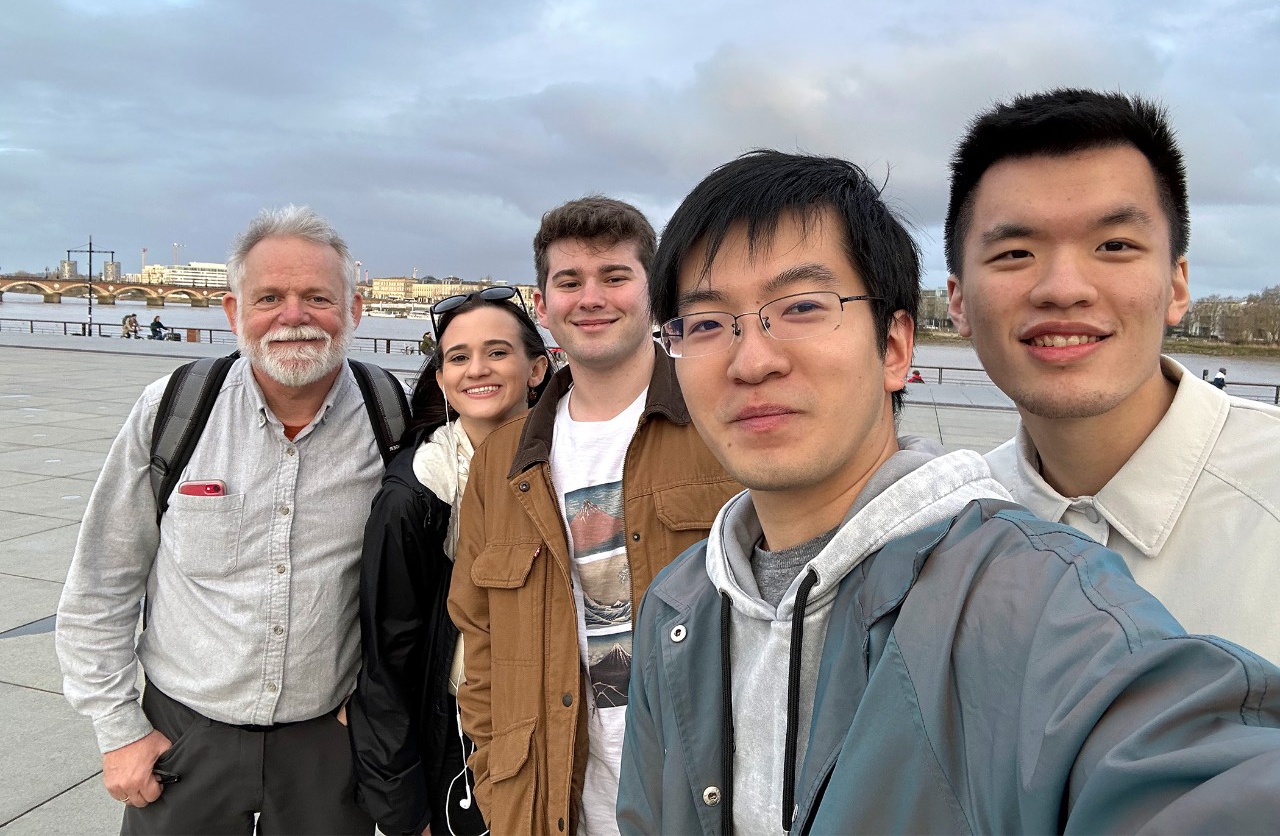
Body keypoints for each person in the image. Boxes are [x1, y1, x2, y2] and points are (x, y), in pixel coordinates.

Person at [617, 149, 1280, 834]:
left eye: (803, 307)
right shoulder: (681, 604)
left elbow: (1195, 774)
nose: (751, 359)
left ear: (896, 348)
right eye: (703, 324)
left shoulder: (1033, 598)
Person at [57, 206, 384, 834]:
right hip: (183, 741)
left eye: (318, 296)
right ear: (235, 313)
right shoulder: (175, 411)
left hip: (331, 747)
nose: (294, 316)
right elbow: (102, 581)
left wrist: (381, 705)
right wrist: (119, 729)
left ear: (354, 310)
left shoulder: (390, 419)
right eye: (269, 298)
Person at [944, 88, 1280, 662]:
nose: (1063, 288)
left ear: (1176, 286)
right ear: (958, 302)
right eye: (1015, 253)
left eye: (1115, 245)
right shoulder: (948, 527)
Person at [448, 196, 740, 836]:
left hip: (702, 801)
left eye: (614, 277)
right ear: (542, 301)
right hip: (549, 803)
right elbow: (481, 644)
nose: (591, 298)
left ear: (653, 292)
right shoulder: (503, 460)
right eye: (569, 281)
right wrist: (498, 783)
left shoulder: (723, 428)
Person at [349, 286, 551, 836]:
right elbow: (388, 656)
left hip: (556, 724)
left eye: (498, 352)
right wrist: (403, 808)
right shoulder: (417, 492)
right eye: (458, 357)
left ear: (538, 369)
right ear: (440, 379)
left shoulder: (575, 467)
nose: (476, 369)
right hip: (457, 740)